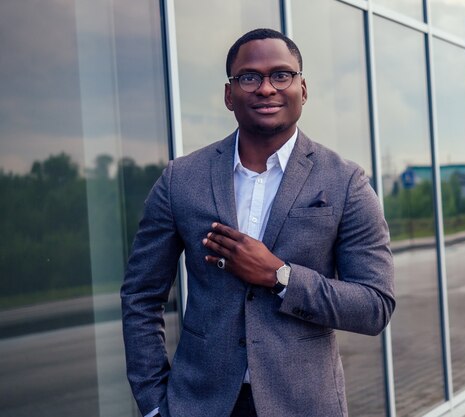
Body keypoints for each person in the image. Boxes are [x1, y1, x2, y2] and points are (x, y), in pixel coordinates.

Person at [121, 28, 395, 417]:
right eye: (249, 77)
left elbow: (374, 305)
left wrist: (280, 276)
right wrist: (152, 403)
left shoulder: (345, 182)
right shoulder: (181, 180)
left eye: (281, 75)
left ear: (303, 89)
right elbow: (141, 296)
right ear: (229, 94)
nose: (266, 88)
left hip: (303, 405)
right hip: (197, 404)